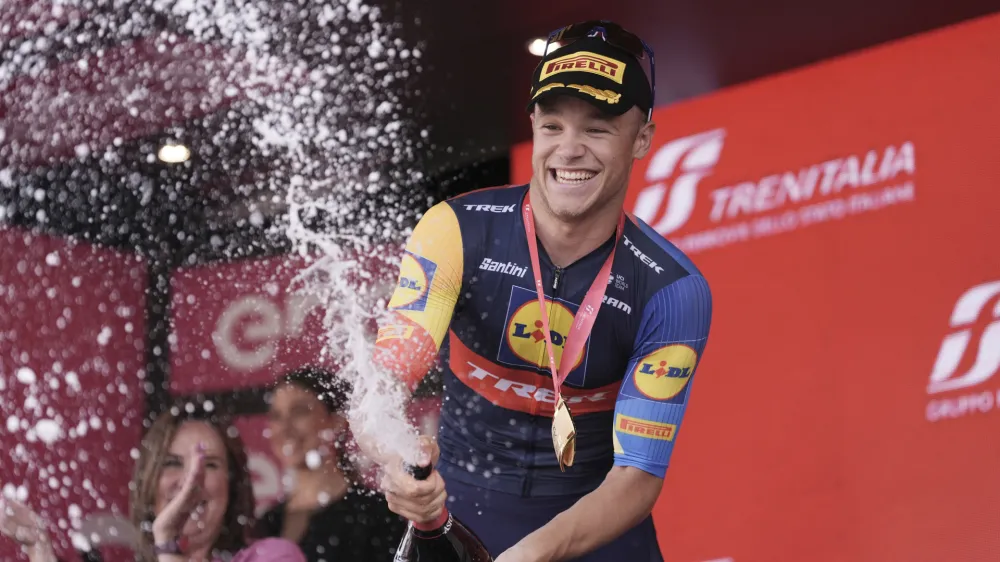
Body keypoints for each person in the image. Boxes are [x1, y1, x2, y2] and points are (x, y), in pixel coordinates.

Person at [363, 19, 713, 562]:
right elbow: (381, 389)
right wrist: (393, 463)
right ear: (532, 125)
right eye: (553, 126)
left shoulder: (672, 289)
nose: (569, 150)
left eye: (597, 129)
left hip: (598, 531)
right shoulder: (455, 230)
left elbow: (639, 476)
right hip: (460, 515)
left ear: (641, 138)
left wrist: (533, 555)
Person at [1, 403, 306, 562]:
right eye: (173, 464)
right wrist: (39, 547)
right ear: (149, 483)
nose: (191, 479)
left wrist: (169, 543)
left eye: (209, 464)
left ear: (232, 486)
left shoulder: (274, 555)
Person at [255, 366, 405, 561]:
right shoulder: (265, 524)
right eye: (276, 416)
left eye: (299, 412)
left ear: (337, 421)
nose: (284, 428)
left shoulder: (377, 514)